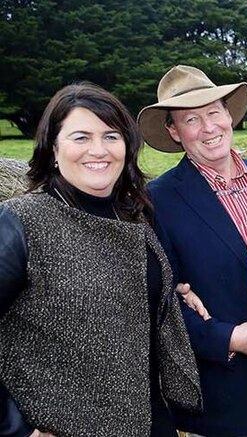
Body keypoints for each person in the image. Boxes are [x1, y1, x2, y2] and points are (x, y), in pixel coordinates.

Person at [0, 83, 201, 436]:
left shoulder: (134, 214)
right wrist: (16, 430)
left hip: (151, 420)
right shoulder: (22, 221)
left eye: (111, 136)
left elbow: (135, 298)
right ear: (52, 148)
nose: (99, 150)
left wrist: (173, 291)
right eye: (80, 137)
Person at [138, 65, 247, 437]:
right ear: (174, 132)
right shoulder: (157, 202)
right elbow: (158, 302)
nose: (209, 127)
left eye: (213, 112)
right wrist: (230, 338)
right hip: (226, 393)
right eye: (191, 119)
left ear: (228, 115)